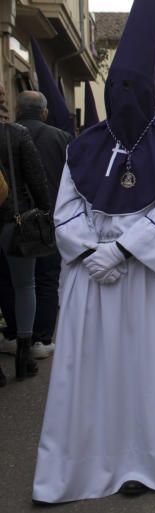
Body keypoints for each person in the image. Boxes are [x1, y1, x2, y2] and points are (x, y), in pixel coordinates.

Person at [33, 0, 155, 502]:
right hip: (92, 278)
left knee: (143, 370)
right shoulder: (84, 146)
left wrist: (122, 250)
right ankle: (87, 462)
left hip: (140, 277)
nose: (126, 93)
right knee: (92, 376)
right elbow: (64, 211)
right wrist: (90, 251)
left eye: (136, 85)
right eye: (119, 84)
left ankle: (142, 461)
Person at [0, 88, 69, 362]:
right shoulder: (60, 138)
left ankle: (14, 335)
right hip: (29, 219)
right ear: (45, 112)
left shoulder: (13, 132)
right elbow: (42, 180)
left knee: (6, 281)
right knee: (40, 280)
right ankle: (36, 342)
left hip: (10, 219)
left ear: (17, 110)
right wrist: (49, 212)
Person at [0, 104, 51, 383]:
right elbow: (37, 179)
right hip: (14, 222)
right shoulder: (16, 134)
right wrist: (44, 212)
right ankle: (24, 355)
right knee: (25, 285)